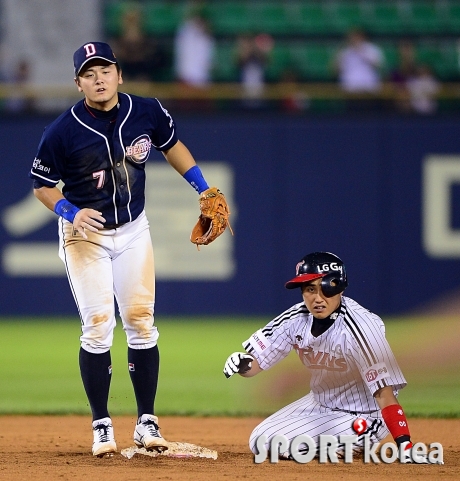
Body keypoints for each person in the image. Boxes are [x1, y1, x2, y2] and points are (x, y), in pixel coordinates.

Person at [29, 41, 228, 457]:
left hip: (134, 229)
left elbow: (172, 146)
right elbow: (42, 185)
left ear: (119, 73)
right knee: (98, 326)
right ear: (78, 83)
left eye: (104, 69)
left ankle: (146, 421)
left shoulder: (147, 110)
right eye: (89, 73)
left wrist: (203, 187)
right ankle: (102, 423)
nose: (98, 78)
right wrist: (68, 210)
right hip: (86, 235)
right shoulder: (62, 131)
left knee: (141, 322)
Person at [223, 251, 428, 462]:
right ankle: (335, 446)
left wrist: (405, 445)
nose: (317, 298)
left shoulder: (361, 327)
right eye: (309, 289)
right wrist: (242, 363)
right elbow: (256, 364)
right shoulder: (296, 317)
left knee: (289, 447)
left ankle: (351, 443)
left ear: (338, 286)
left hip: (364, 414)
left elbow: (385, 393)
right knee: (261, 441)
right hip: (319, 403)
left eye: (323, 288)